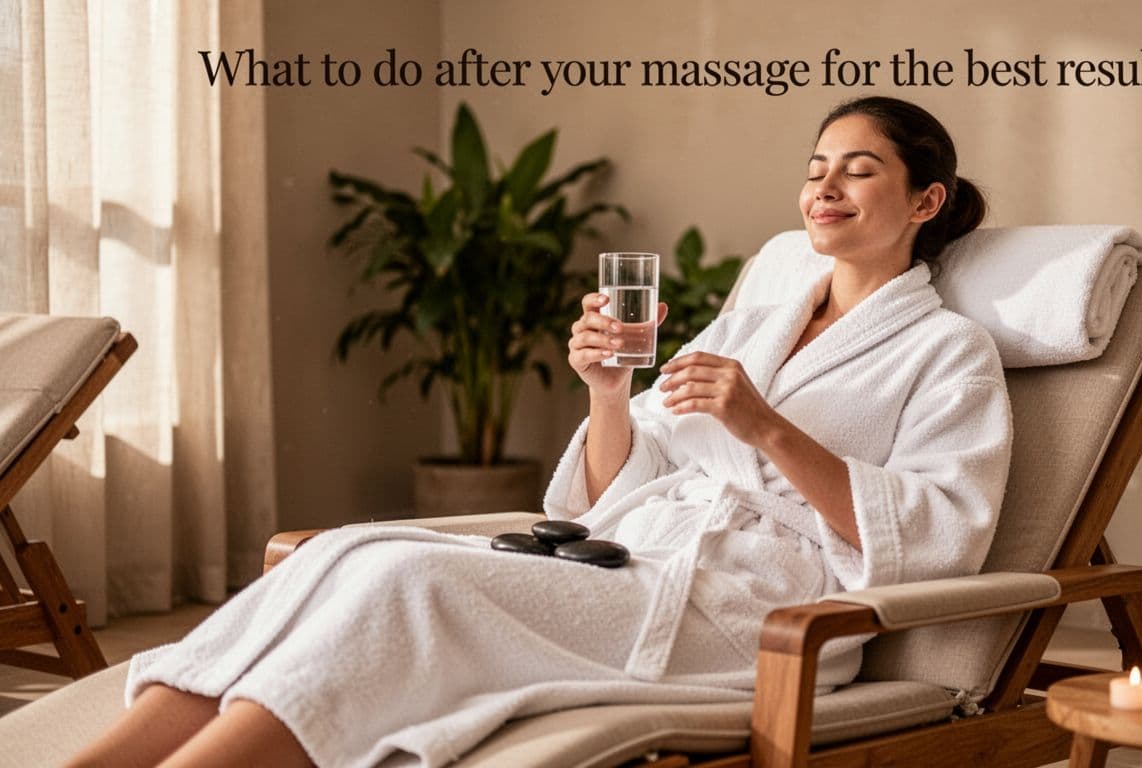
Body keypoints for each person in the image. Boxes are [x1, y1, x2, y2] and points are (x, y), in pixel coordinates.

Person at [67, 96, 1011, 768]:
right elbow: (612, 494)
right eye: (814, 171)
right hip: (633, 560)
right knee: (345, 554)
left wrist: (764, 427)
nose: (825, 188)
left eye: (859, 169)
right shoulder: (758, 320)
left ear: (925, 202)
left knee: (409, 580)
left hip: (743, 607)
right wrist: (607, 390)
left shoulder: (949, 353)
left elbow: (935, 539)